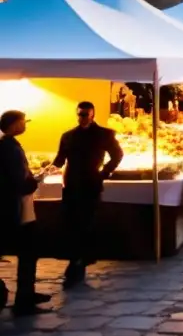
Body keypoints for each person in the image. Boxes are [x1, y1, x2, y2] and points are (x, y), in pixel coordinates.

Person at [51, 101, 123, 287]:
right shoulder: (68, 136)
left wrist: (104, 173)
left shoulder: (104, 134)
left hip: (91, 182)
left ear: (92, 115)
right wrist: (48, 168)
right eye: (79, 114)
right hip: (71, 183)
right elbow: (60, 159)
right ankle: (76, 260)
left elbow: (117, 154)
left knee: (86, 223)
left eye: (85, 114)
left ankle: (78, 262)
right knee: (71, 223)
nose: (81, 118)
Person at [0, 110, 50, 315]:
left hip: (15, 207)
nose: (25, 125)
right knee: (28, 252)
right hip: (17, 209)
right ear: (13, 125)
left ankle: (27, 293)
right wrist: (35, 181)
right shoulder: (10, 148)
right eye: (23, 121)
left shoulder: (6, 145)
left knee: (28, 252)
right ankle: (24, 299)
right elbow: (19, 181)